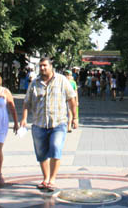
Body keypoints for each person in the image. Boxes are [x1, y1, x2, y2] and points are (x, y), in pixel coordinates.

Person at [21, 57, 77, 192]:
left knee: (55, 147)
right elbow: (27, 102)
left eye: (45, 66)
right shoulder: (34, 83)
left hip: (58, 123)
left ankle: (52, 179)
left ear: (51, 66)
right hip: (39, 123)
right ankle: (45, 178)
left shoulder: (62, 80)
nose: (42, 68)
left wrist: (75, 117)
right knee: (41, 153)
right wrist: (23, 118)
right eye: (40, 66)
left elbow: (71, 98)